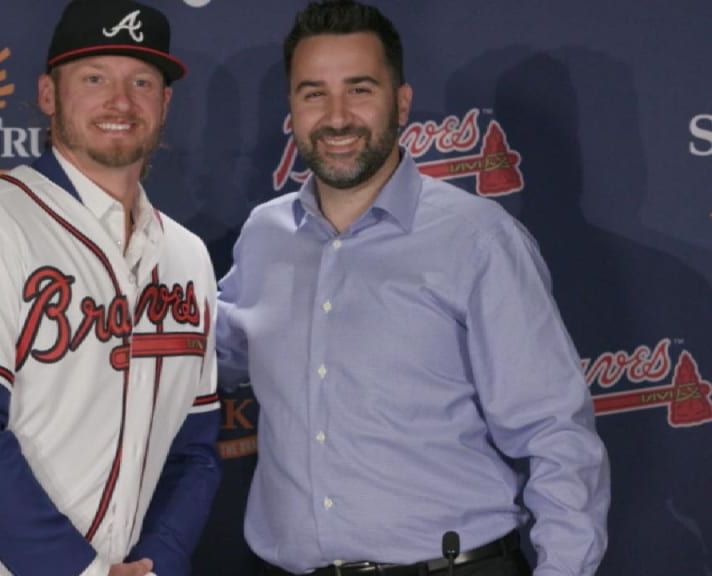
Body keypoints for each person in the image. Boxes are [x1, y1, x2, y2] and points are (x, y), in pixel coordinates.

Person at [216, 1, 610, 575]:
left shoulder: (477, 240)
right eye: (313, 93)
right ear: (293, 110)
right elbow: (201, 361)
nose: (337, 116)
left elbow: (555, 434)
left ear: (401, 101)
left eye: (360, 89)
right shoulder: (264, 236)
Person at [0, 1, 221, 575]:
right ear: (49, 94)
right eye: (94, 78)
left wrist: (158, 562)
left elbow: (193, 448)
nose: (120, 102)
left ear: (165, 102)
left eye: (141, 81)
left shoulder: (187, 256)